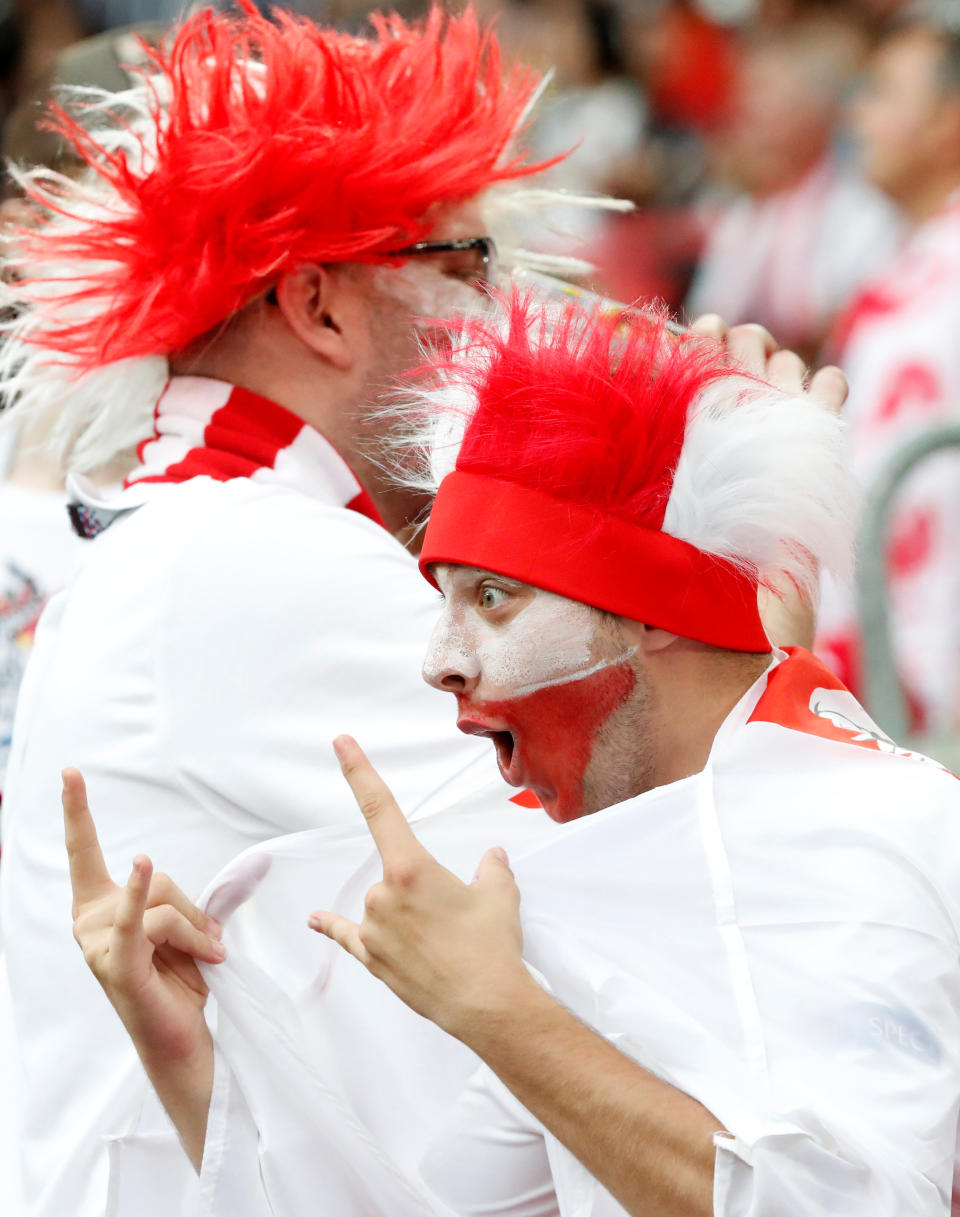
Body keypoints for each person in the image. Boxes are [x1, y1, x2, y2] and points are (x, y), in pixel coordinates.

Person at [67, 293, 960, 1215]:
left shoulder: (864, 831)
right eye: (441, 600)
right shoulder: (558, 877)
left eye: (492, 598)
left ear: (650, 611)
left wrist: (504, 1017)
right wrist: (182, 1057)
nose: (438, 663)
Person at [0, 5, 562, 1215]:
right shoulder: (250, 554)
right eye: (469, 266)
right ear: (317, 304)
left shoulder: (215, 526)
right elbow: (601, 904)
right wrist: (727, 572)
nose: (503, 319)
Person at [816, 19, 960, 735]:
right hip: (887, 657)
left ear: (948, 120)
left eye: (882, 93)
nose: (857, 114)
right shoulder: (905, 262)